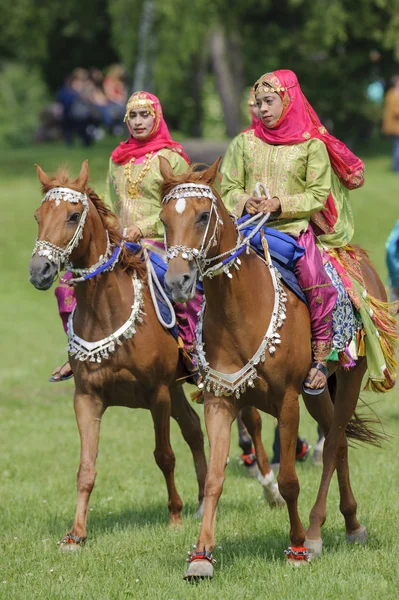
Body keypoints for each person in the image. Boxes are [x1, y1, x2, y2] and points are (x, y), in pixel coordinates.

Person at [221, 69, 365, 394]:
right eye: (258, 103)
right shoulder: (244, 142)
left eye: (270, 101)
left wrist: (277, 204)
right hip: (245, 231)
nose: (263, 109)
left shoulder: (310, 145)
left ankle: (318, 360)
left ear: (288, 99)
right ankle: (206, 354)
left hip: (293, 234)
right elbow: (227, 186)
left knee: (324, 286)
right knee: (209, 273)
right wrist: (246, 200)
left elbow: (317, 194)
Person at [51, 91, 197, 381]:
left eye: (145, 115)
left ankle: (191, 354)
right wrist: (109, 229)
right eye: (133, 115)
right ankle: (76, 350)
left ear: (156, 118)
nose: (139, 121)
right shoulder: (118, 159)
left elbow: (182, 209)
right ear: (126, 119)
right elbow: (107, 203)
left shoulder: (172, 158)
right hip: (118, 244)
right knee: (68, 283)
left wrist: (141, 228)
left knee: (178, 288)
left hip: (159, 243)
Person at [382, 75, 399, 173]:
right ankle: (396, 168)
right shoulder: (392, 94)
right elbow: (395, 111)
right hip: (395, 127)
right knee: (397, 147)